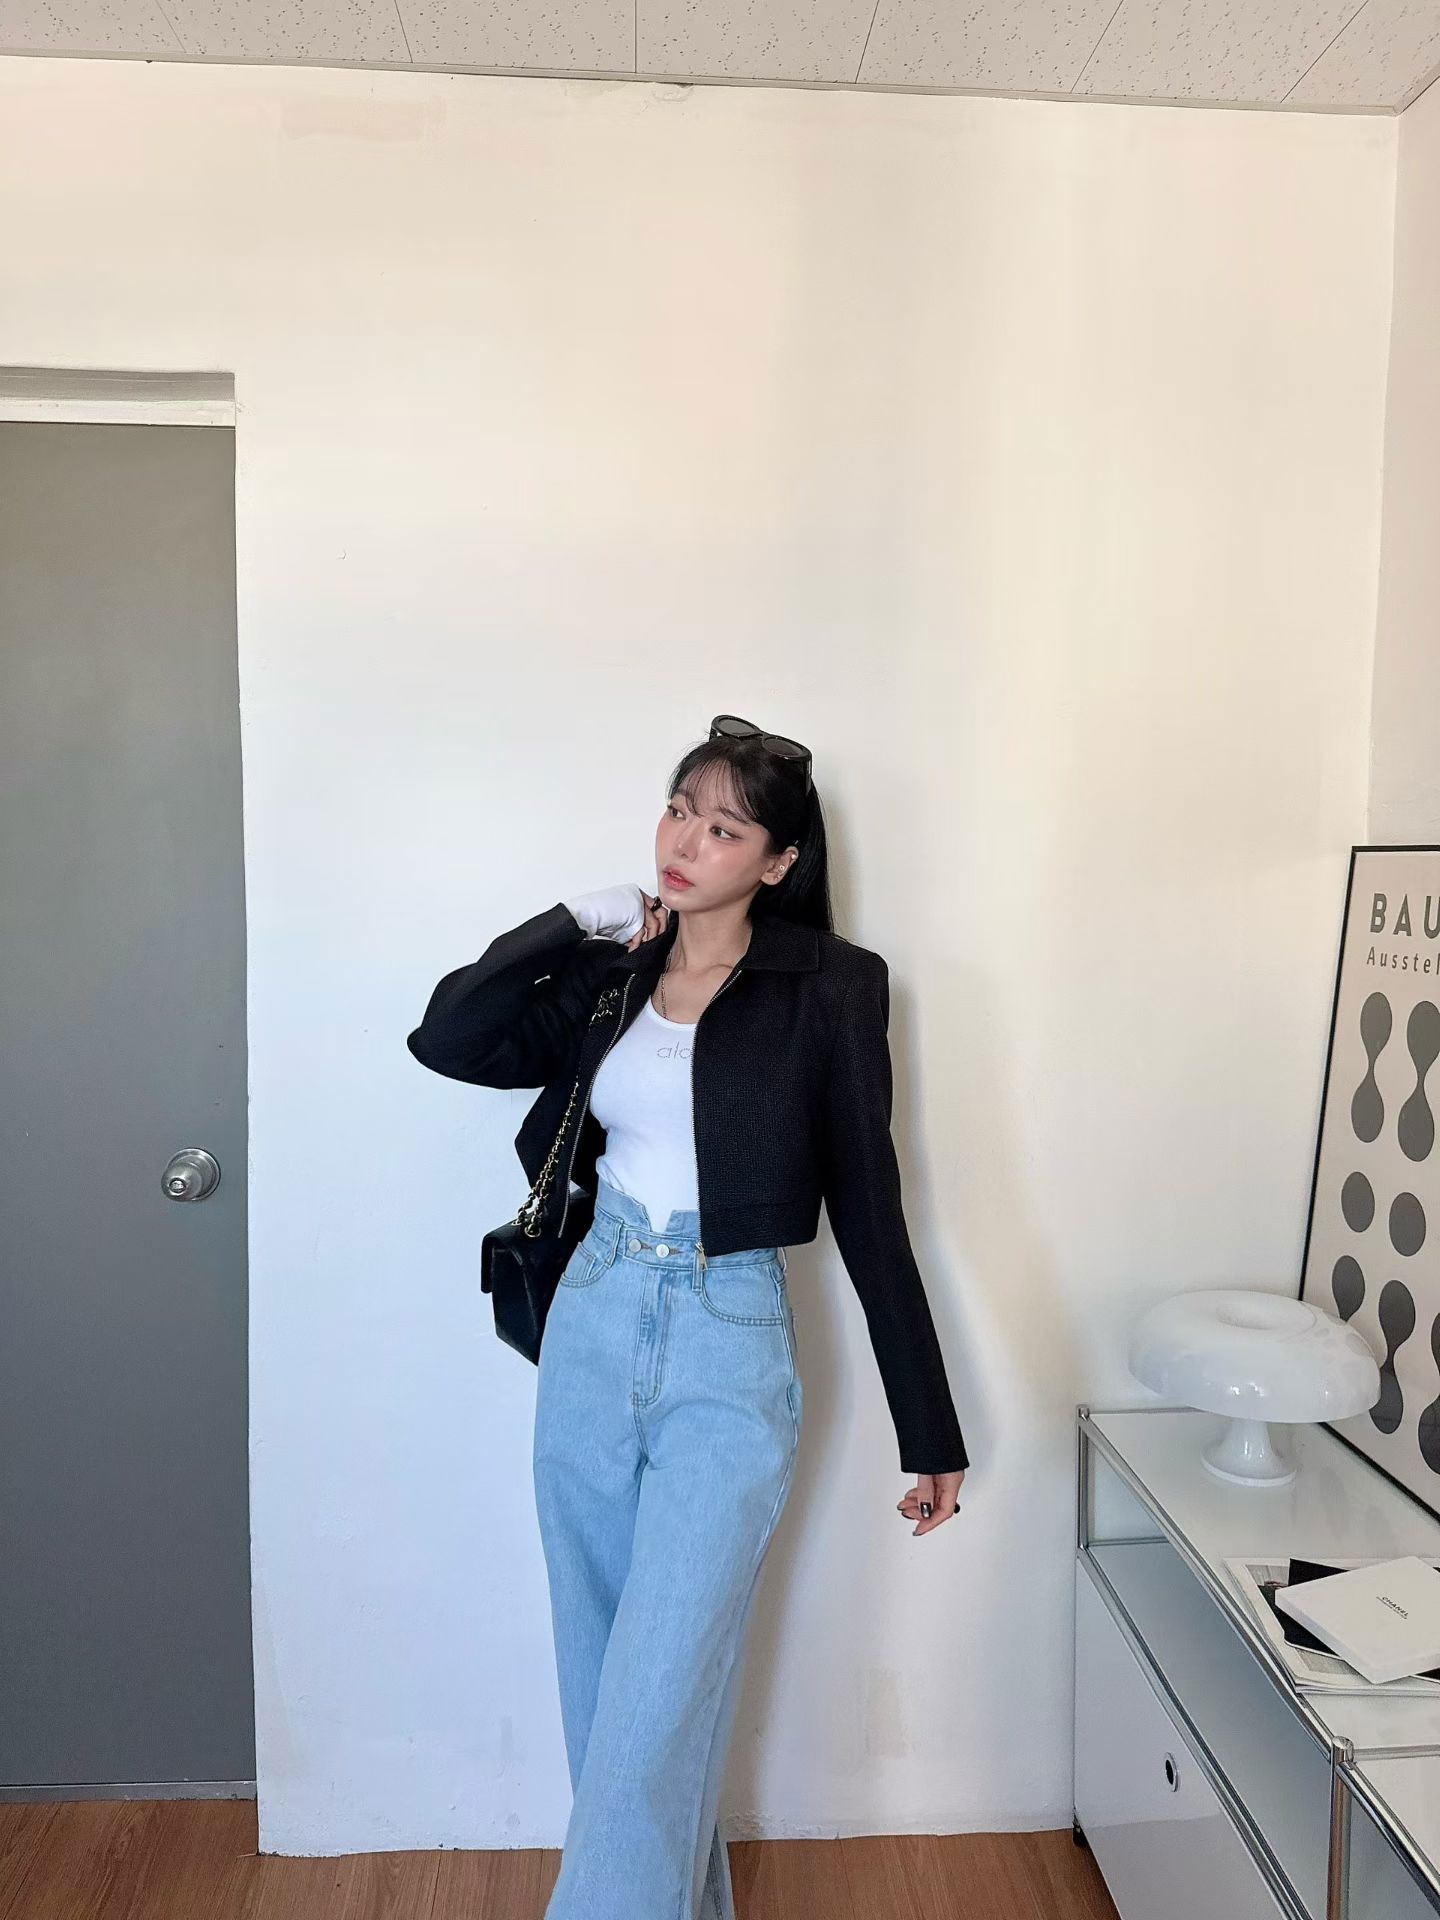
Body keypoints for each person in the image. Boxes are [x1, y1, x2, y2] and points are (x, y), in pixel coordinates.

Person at [407, 714, 969, 1920]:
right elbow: (446, 1036)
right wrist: (573, 921)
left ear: (778, 861)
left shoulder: (833, 988)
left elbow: (872, 1206)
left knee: (656, 1698)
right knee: (603, 1684)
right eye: (679, 809)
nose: (685, 841)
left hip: (730, 1335)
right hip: (594, 1319)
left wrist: (929, 1428)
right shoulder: (613, 976)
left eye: (724, 828)